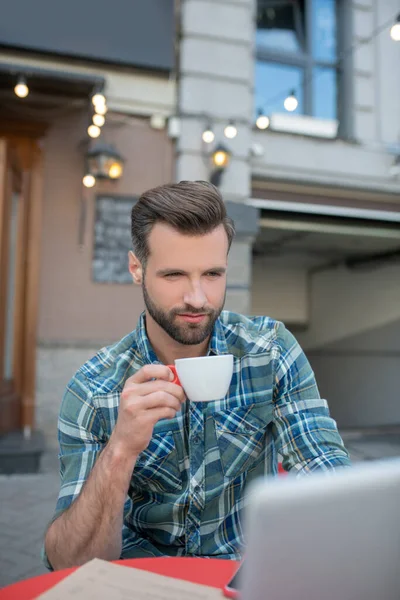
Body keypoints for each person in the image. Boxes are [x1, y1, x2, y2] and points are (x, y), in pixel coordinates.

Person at [43, 180, 350, 570]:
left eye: (212, 274)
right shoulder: (94, 389)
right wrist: (120, 449)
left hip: (247, 577)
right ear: (137, 269)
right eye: (174, 275)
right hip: (143, 584)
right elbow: (69, 563)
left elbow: (325, 468)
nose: (197, 298)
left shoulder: (269, 351)